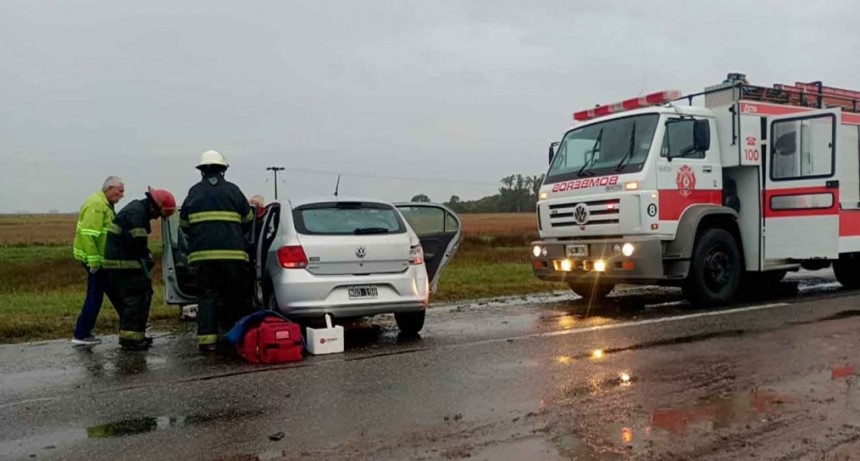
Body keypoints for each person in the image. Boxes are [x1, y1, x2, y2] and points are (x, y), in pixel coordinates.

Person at [179, 150, 254, 352]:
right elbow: (248, 220)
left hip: (202, 257)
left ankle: (207, 342)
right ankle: (236, 339)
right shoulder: (234, 191)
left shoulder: (193, 192)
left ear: (202, 171)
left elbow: (184, 225)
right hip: (233, 256)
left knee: (207, 297)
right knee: (234, 296)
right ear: (223, 170)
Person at [103, 187, 177, 350]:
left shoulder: (138, 210)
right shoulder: (138, 214)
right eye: (159, 214)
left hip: (122, 267)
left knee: (141, 296)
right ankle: (131, 340)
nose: (157, 217)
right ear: (155, 207)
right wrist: (147, 256)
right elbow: (138, 243)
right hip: (124, 268)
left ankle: (136, 336)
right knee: (135, 300)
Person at [71, 176, 125, 346]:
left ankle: (131, 323)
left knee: (115, 292)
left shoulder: (105, 204)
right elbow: (88, 235)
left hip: (102, 261)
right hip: (96, 262)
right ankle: (81, 334)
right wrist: (94, 262)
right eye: (120, 191)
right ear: (109, 188)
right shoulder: (97, 205)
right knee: (95, 297)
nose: (122, 195)